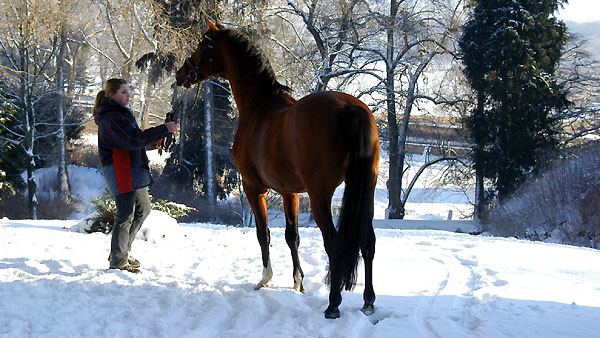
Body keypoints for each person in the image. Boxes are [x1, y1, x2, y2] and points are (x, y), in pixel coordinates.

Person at [93, 78, 177, 274]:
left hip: (132, 168)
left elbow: (134, 139)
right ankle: (118, 261)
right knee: (125, 215)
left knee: (143, 209)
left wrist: (157, 140)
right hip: (121, 170)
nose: (128, 95)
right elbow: (132, 139)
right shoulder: (112, 116)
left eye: (128, 91)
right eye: (124, 92)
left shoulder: (122, 113)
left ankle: (121, 251)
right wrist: (163, 129)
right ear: (112, 95)